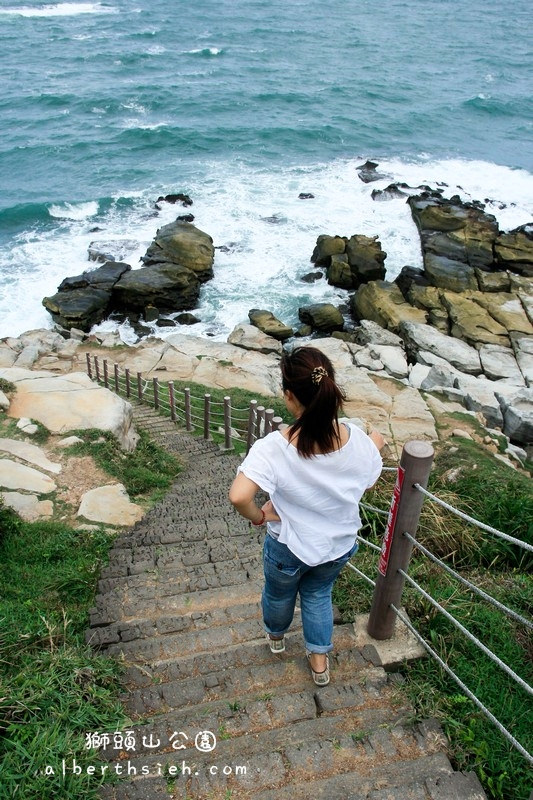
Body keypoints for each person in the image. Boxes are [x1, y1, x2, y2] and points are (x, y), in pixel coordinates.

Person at [228, 346, 385, 686]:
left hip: (287, 546)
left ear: (289, 397)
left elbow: (239, 496)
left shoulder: (274, 448)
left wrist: (259, 516)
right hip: (337, 545)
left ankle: (276, 637)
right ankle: (318, 663)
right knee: (317, 595)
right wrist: (374, 442)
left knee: (279, 594)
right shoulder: (358, 441)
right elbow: (371, 474)